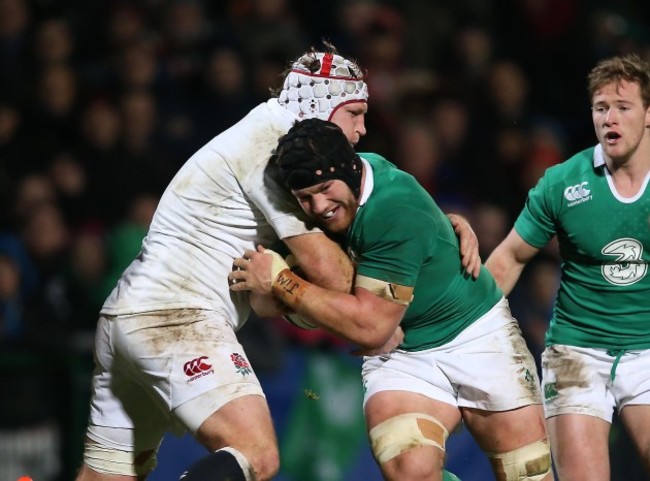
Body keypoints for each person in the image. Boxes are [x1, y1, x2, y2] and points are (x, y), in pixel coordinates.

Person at [75, 43, 479, 481]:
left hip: (125, 316)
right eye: (355, 113)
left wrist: (435, 227)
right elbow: (330, 273)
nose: (362, 129)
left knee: (107, 476)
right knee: (254, 454)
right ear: (323, 105)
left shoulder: (264, 131)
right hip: (176, 317)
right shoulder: (278, 149)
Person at [229, 119, 553, 481]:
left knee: (528, 472)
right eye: (306, 197)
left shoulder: (394, 207)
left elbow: (369, 327)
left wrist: (282, 282)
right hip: (403, 355)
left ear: (350, 172)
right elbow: (261, 302)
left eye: (324, 189)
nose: (318, 206)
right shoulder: (313, 203)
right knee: (408, 469)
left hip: (476, 335)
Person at [483, 53, 650, 481]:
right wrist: (456, 325)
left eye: (623, 107)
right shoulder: (563, 183)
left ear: (648, 115)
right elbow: (510, 257)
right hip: (577, 352)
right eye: (600, 108)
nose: (610, 118)